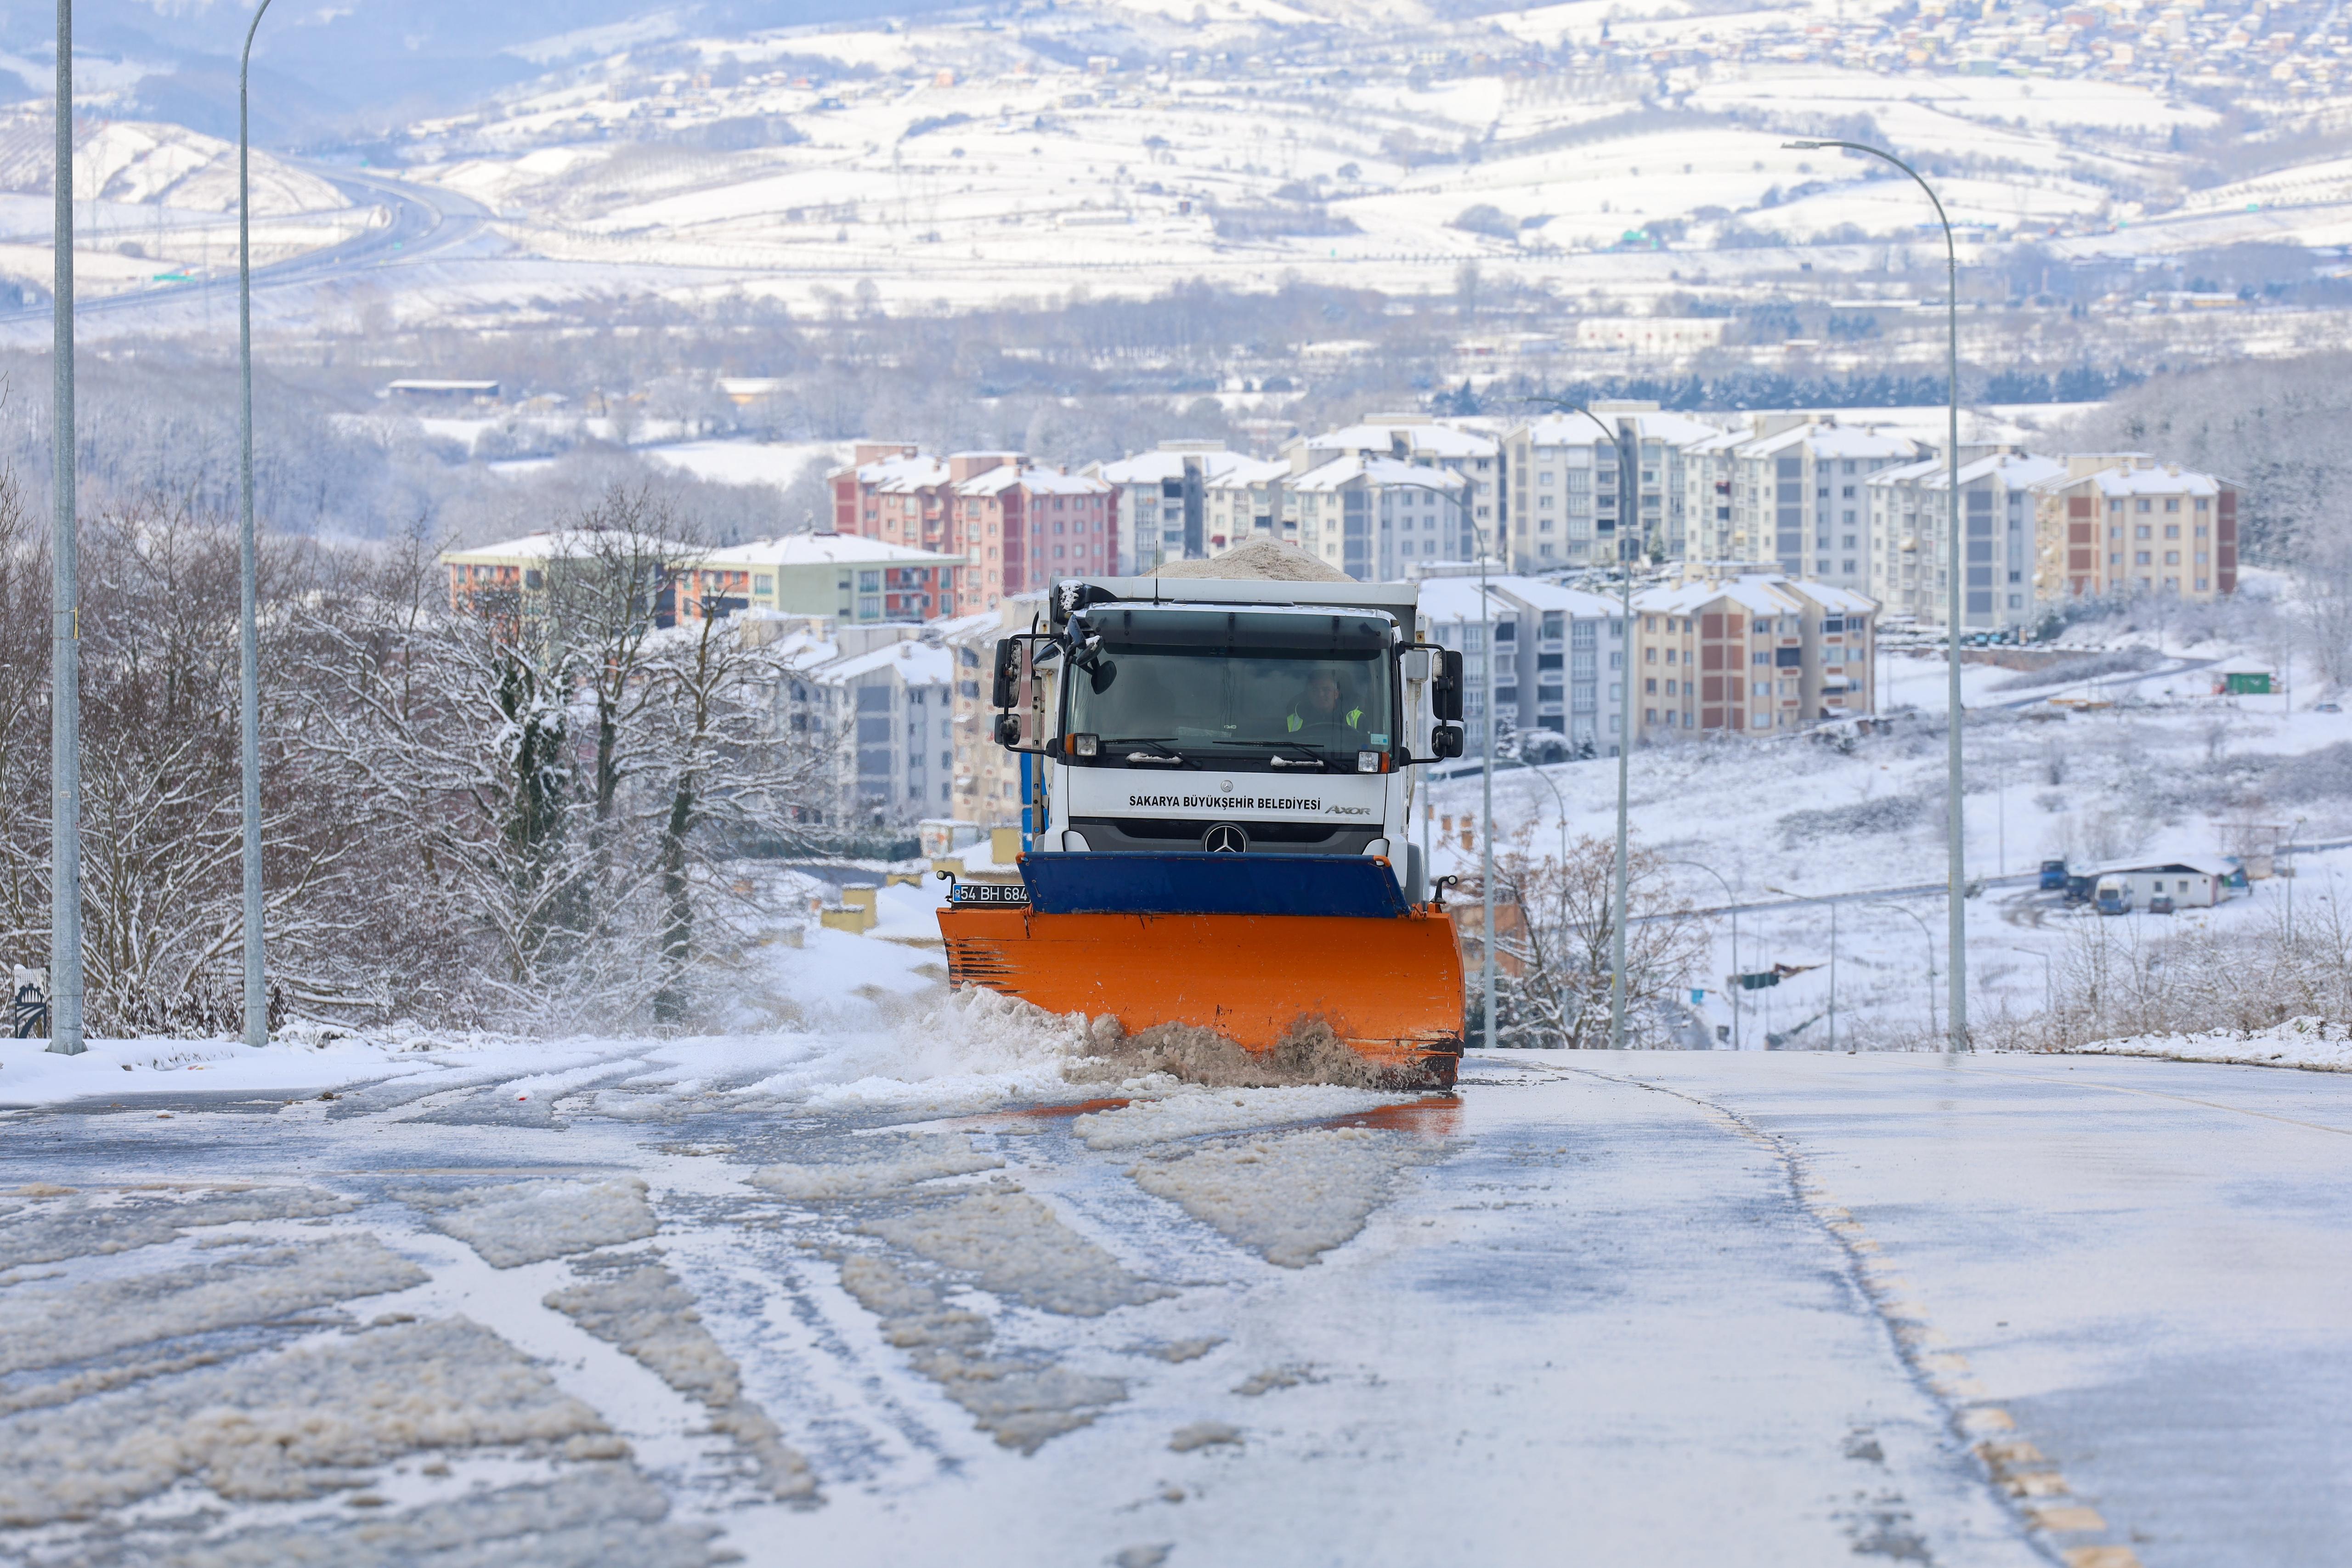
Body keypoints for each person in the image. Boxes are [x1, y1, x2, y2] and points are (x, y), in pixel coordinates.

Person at [1286, 667, 1364, 744]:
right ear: (1309, 695)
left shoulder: (1358, 719)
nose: (1321, 694)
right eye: (1315, 690)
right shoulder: (1294, 720)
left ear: (1336, 694)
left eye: (1326, 690)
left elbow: (1369, 746)